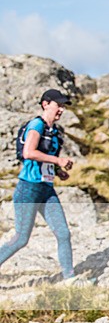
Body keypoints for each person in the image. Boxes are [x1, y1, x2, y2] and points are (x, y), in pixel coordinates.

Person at [0, 89, 83, 284]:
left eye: (63, 106)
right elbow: (29, 152)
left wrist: (58, 170)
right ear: (45, 104)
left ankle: (69, 280)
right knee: (21, 239)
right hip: (28, 189)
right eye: (58, 105)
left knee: (63, 233)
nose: (61, 109)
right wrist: (58, 160)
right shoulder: (36, 124)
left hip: (46, 190)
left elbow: (44, 159)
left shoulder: (55, 132)